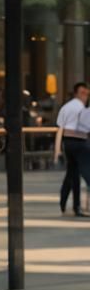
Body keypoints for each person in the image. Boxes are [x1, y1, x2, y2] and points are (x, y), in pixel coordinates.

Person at [55, 81, 88, 217]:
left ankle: (65, 202)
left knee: (72, 174)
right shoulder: (82, 109)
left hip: (68, 143)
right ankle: (77, 206)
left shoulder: (66, 107)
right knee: (83, 173)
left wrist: (58, 150)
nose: (85, 96)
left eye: (86, 93)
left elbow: (60, 129)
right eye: (83, 93)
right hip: (81, 142)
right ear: (76, 93)